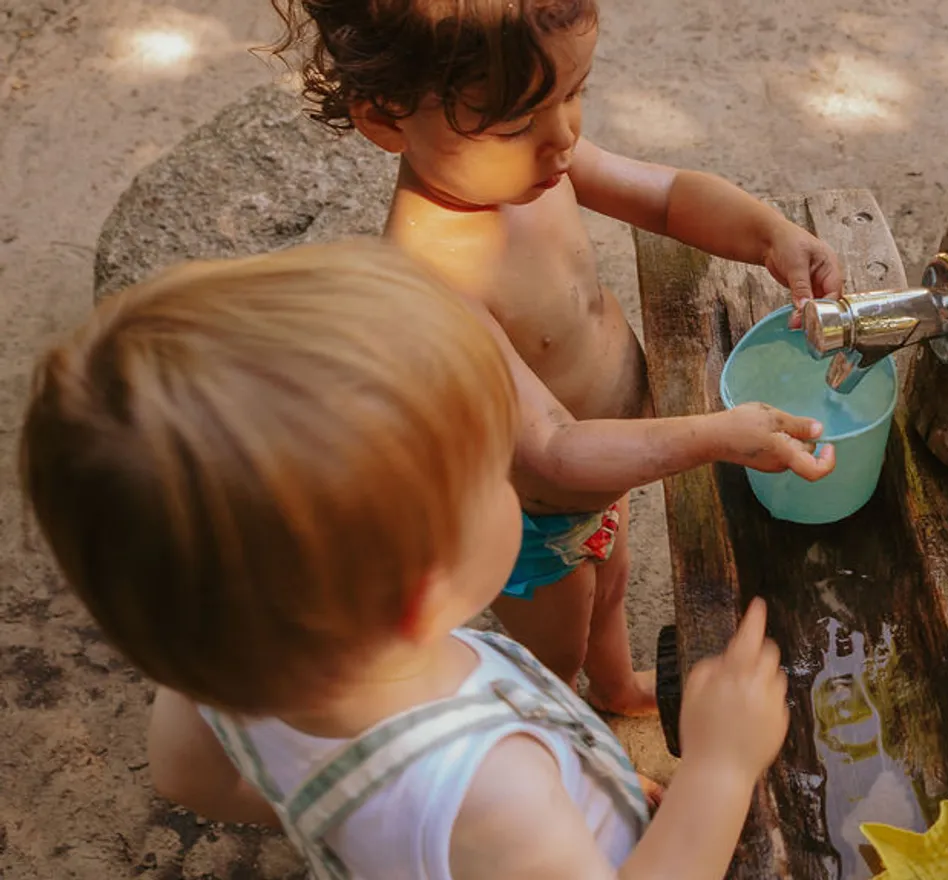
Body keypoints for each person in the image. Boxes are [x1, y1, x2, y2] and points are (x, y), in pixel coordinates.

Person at [20, 240, 796, 878]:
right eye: (497, 476)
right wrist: (716, 775)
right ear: (421, 598)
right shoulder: (495, 797)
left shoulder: (226, 662)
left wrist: (372, 822)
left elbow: (188, 779)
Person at [269, 0, 844, 715]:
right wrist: (718, 436)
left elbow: (665, 197)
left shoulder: (532, 165)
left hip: (607, 472)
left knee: (611, 593)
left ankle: (614, 688)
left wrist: (769, 235)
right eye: (516, 124)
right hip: (530, 525)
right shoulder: (433, 280)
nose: (564, 138)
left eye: (574, 93)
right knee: (552, 660)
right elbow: (551, 448)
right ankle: (565, 745)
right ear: (385, 119)